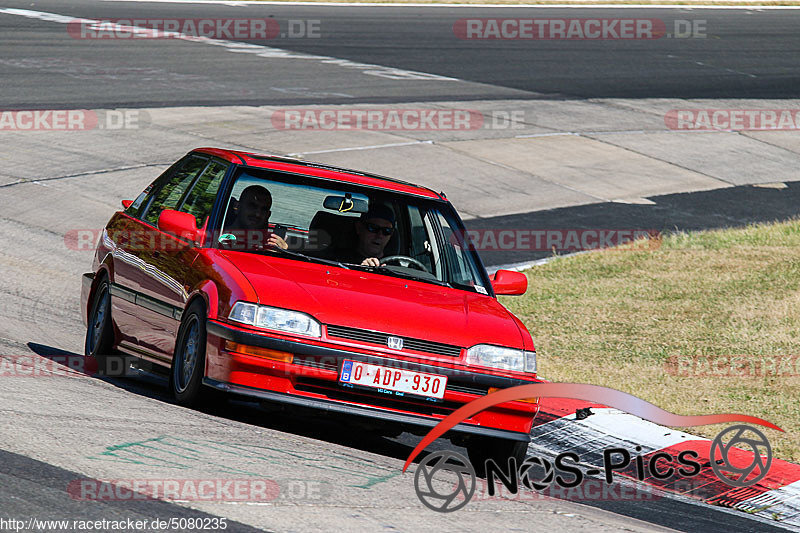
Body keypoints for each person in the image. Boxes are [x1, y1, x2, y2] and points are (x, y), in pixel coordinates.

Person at [225, 185, 288, 250]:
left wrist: (281, 253)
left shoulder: (270, 243)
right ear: (237, 207)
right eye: (252, 206)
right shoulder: (218, 236)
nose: (257, 214)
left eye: (264, 209)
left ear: (268, 215)